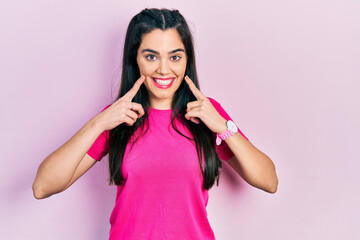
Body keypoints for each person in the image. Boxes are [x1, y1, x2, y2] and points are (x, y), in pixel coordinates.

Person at [32, 8, 278, 240]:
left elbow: (268, 181)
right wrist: (98, 124)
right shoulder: (118, 117)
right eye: (151, 56)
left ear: (186, 61)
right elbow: (43, 186)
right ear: (135, 59)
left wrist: (224, 128)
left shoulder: (206, 114)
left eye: (175, 57)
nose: (164, 69)